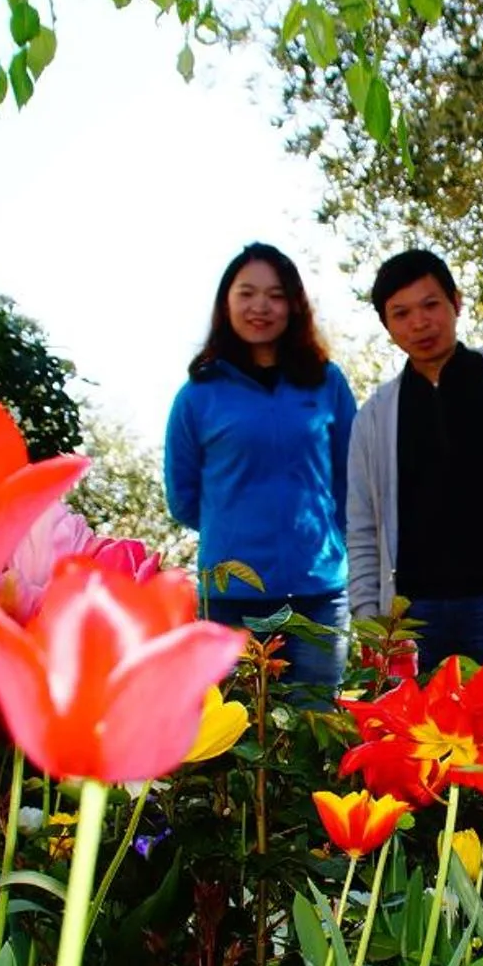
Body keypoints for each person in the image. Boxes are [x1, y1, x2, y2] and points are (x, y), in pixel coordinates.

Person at [346, 249, 483, 679]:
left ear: (456, 302)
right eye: (401, 313)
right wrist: (368, 616)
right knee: (417, 744)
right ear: (387, 325)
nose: (419, 322)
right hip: (412, 617)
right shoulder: (374, 417)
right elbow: (361, 524)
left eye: (431, 304)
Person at [164, 243, 359, 688]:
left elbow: (352, 480)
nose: (260, 307)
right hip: (231, 602)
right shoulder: (198, 394)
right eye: (246, 293)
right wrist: (237, 526)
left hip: (320, 594)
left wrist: (327, 540)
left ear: (294, 304)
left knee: (318, 727)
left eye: (275, 295)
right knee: (238, 734)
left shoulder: (327, 382)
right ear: (225, 303)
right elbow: (183, 497)